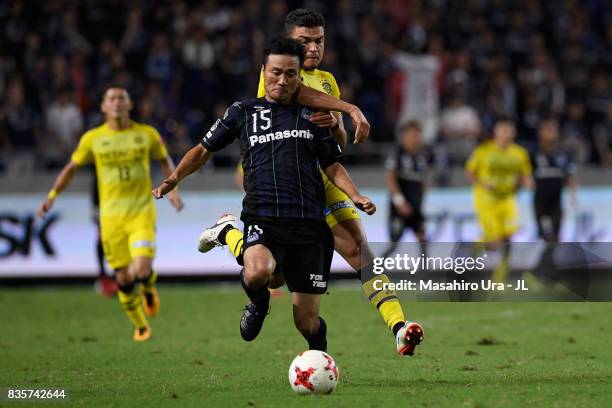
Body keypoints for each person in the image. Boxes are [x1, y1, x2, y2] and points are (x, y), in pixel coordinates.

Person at [198, 8, 423, 356]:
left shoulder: (329, 80)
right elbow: (295, 96)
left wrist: (335, 123)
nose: (313, 48)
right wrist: (350, 108)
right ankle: (229, 232)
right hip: (289, 189)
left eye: (319, 41)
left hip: (326, 182)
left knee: (361, 254)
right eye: (305, 41)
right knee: (272, 277)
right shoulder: (277, 74)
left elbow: (341, 143)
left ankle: (399, 326)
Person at [153, 37, 376, 352]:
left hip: (309, 226)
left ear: (299, 77)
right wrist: (175, 177)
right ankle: (258, 303)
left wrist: (354, 195)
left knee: (306, 321)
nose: (281, 81)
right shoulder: (243, 112)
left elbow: (332, 165)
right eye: (275, 72)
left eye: (289, 74)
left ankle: (320, 358)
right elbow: (204, 150)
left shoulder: (312, 116)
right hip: (265, 217)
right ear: (263, 71)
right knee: (259, 273)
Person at [38, 86, 184, 341]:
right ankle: (141, 325)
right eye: (111, 99)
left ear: (130, 105)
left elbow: (164, 159)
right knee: (124, 276)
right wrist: (51, 197)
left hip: (141, 212)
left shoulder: (147, 134)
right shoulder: (93, 138)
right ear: (103, 107)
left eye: (121, 98)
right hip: (111, 218)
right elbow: (71, 168)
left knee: (141, 269)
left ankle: (148, 288)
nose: (116, 103)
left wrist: (172, 188)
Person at [466, 117, 533, 283]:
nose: (505, 134)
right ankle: (475, 247)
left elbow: (525, 175)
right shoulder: (483, 151)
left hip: (508, 200)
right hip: (487, 202)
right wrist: (483, 183)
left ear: (513, 132)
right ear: (495, 132)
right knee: (496, 242)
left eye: (508, 130)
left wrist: (527, 182)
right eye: (502, 130)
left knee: (508, 240)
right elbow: (470, 172)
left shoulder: (519, 153)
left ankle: (499, 281)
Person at [384, 121, 428, 257]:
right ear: (405, 136)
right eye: (414, 135)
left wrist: (420, 203)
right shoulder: (397, 154)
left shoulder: (421, 157)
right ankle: (373, 271)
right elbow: (391, 180)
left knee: (423, 242)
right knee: (393, 245)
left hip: (415, 208)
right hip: (399, 210)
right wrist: (400, 202)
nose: (417, 139)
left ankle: (425, 274)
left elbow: (423, 182)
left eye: (419, 135)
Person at [531, 118, 577, 243]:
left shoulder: (564, 154)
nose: (551, 132)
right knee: (543, 235)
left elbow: (569, 176)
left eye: (553, 129)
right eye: (547, 129)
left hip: (557, 201)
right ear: (540, 132)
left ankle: (553, 260)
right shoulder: (533, 153)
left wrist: (573, 196)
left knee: (556, 235)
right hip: (540, 200)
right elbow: (525, 174)